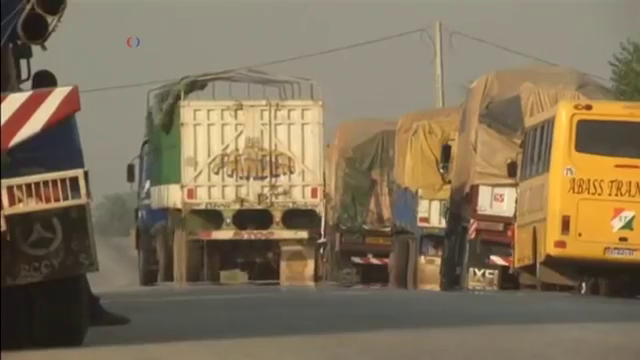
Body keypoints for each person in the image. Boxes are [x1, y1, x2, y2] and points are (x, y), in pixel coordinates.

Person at [31, 69, 131, 327]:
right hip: (39, 192)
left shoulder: (24, 117)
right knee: (63, 252)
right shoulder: (42, 115)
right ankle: (89, 309)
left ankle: (88, 307)